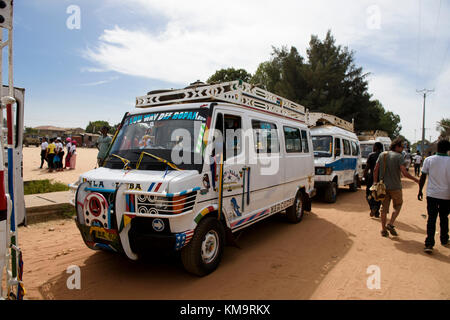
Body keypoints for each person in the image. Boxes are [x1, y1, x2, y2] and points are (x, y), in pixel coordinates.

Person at [373, 138, 420, 237]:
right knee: (398, 206)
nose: (403, 149)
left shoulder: (383, 155)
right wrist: (416, 180)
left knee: (383, 209)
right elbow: (404, 173)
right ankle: (390, 224)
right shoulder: (399, 157)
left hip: (383, 187)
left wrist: (375, 182)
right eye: (402, 146)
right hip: (396, 187)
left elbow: (375, 169)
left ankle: (383, 230)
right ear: (397, 146)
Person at [418, 139, 450, 254]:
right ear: (448, 149)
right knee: (444, 217)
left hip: (432, 194)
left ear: (437, 148)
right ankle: (444, 239)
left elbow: (423, 177)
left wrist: (420, 190)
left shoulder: (429, 160)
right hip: (446, 195)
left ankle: (429, 244)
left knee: (431, 218)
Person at [363, 142, 383, 218]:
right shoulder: (384, 156)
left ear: (376, 147)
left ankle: (372, 207)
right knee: (380, 195)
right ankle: (377, 211)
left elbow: (367, 168)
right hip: (381, 178)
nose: (373, 148)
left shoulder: (371, 155)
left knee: (368, 194)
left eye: (374, 146)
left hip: (371, 178)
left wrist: (364, 176)